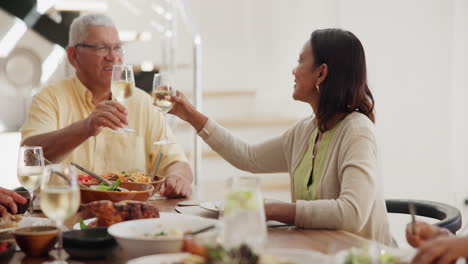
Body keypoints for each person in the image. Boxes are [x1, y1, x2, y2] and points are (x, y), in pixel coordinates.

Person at [168, 28, 393, 245]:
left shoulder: (357, 132)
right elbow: (248, 157)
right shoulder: (305, 130)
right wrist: (190, 115)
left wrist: (273, 209)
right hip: (320, 251)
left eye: (300, 61)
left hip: (365, 256)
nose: (293, 70)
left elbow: (352, 213)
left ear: (321, 72)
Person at [20, 14, 192, 197]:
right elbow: (30, 158)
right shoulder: (49, 98)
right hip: (67, 212)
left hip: (130, 216)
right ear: (73, 56)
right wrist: (85, 127)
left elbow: (177, 162)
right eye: (101, 48)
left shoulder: (141, 102)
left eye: (117, 47)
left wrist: (177, 177)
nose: (113, 57)